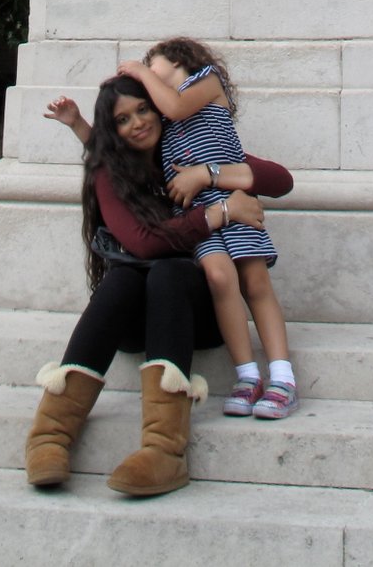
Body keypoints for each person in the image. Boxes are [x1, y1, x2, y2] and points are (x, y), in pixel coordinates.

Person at [22, 72, 293, 497]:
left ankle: (164, 451)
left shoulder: (190, 149)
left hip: (196, 315)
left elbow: (279, 180)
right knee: (125, 278)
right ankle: (50, 436)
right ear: (113, 131)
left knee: (170, 272)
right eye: (123, 119)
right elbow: (142, 244)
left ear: (161, 108)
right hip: (134, 319)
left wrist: (208, 173)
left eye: (144, 109)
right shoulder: (110, 174)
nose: (138, 123)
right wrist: (219, 212)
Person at [120, 37, 297, 418]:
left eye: (154, 64)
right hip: (199, 215)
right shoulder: (162, 117)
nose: (149, 72)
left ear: (179, 60)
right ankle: (248, 376)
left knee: (255, 282)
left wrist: (136, 70)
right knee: (219, 278)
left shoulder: (204, 82)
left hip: (233, 202)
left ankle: (283, 377)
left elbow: (178, 106)